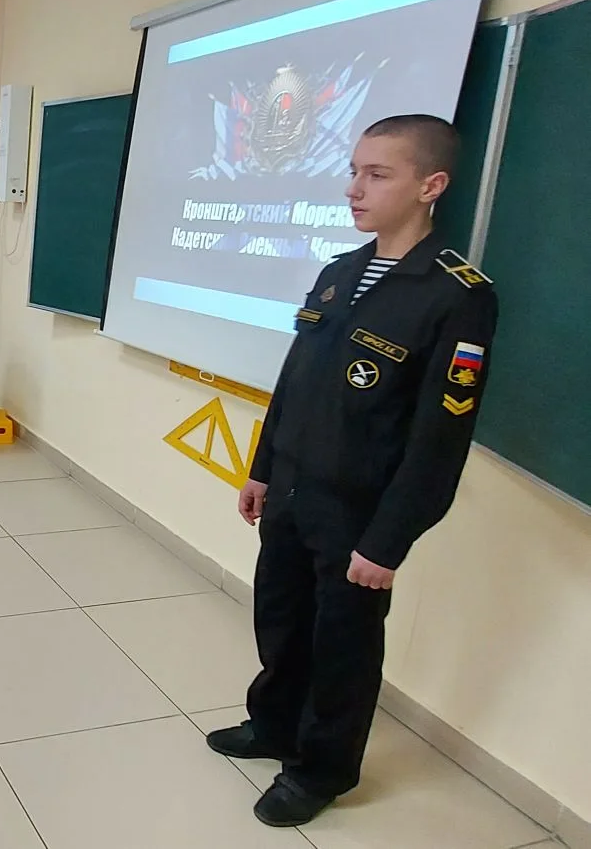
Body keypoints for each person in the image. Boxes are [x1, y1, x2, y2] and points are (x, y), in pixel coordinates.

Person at [208, 115, 499, 827]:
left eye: (377, 174)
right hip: (291, 490)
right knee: (280, 619)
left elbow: (440, 438)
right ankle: (273, 725)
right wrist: (261, 468)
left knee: (342, 646)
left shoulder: (456, 295)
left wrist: (388, 541)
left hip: (357, 512)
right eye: (353, 170)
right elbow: (294, 384)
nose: (353, 188)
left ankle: (321, 769)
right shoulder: (338, 273)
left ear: (430, 185)